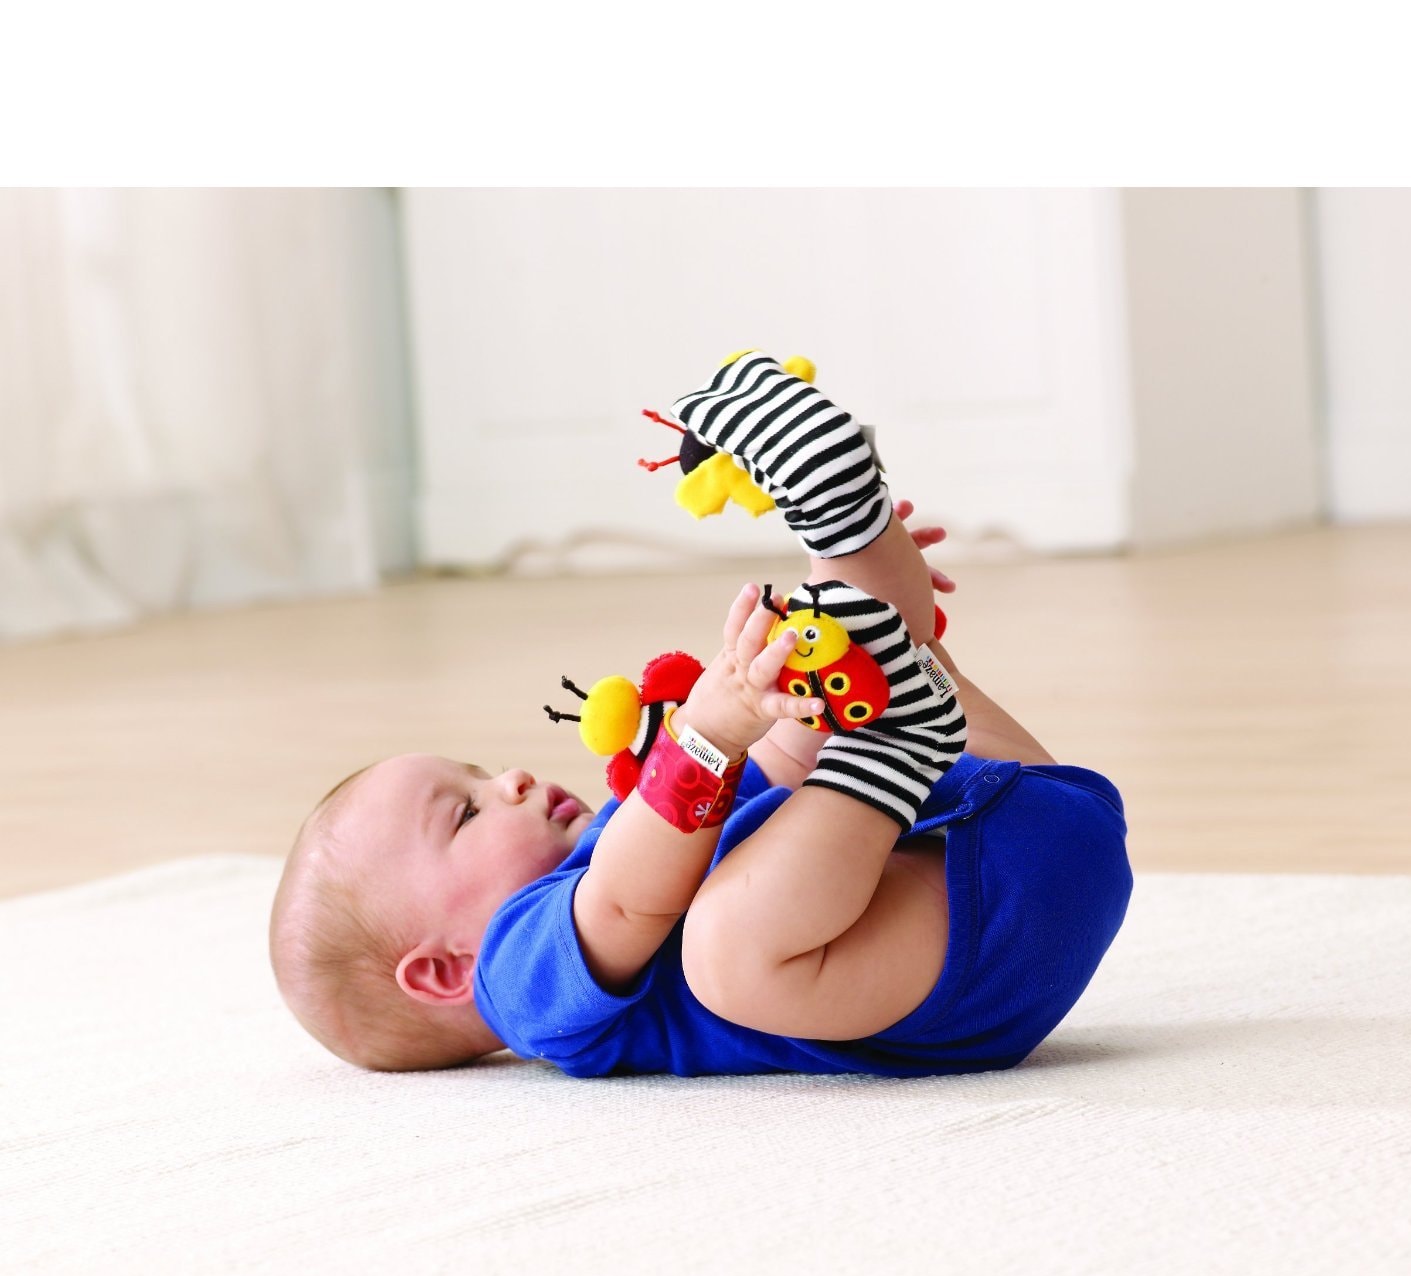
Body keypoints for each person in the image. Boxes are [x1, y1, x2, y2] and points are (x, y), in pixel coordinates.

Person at [269, 352, 1132, 1076]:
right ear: (440, 972)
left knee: (806, 700)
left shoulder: (640, 828)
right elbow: (623, 906)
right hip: (981, 951)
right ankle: (891, 698)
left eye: (481, 774)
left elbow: (786, 765)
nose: (513, 779)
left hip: (1014, 843)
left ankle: (852, 543)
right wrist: (705, 735)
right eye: (465, 812)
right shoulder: (517, 982)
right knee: (721, 949)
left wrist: (802, 656)